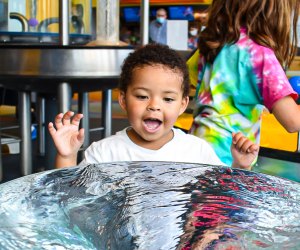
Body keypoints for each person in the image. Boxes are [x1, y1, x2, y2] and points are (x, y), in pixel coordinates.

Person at [48, 44, 258, 170]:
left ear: (183, 104)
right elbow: (70, 198)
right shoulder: (105, 153)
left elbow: (221, 195)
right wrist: (67, 156)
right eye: (142, 96)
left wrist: (241, 166)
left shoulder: (196, 150)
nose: (154, 106)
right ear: (123, 100)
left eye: (168, 99)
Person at [188, 0, 300, 166]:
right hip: (229, 157)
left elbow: (186, 76)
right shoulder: (259, 54)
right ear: (274, 13)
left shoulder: (211, 45)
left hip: (196, 146)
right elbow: (293, 121)